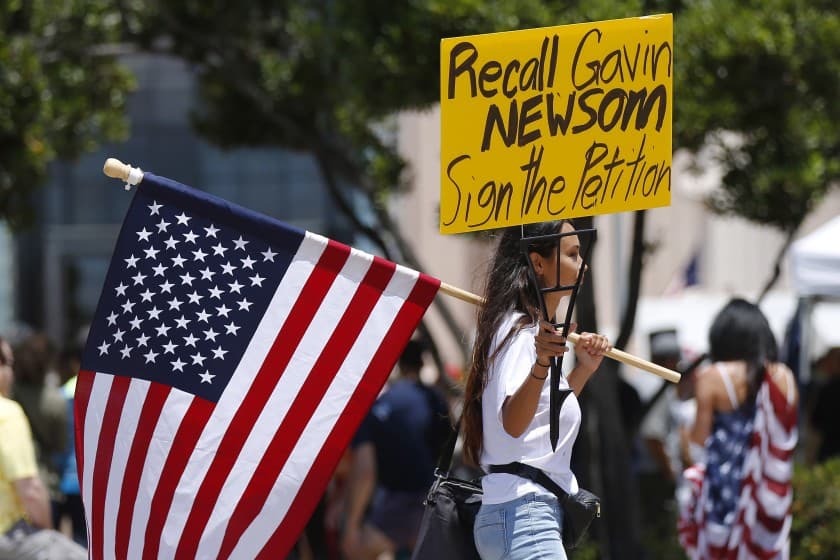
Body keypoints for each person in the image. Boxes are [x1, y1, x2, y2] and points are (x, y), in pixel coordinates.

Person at [461, 220, 611, 559]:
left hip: (519, 514)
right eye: (572, 254)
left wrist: (582, 371)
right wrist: (543, 361)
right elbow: (512, 424)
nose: (582, 264)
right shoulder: (521, 334)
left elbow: (539, 421)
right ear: (538, 263)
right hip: (525, 517)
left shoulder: (524, 333)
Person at [678, 298, 798, 559]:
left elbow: (698, 446)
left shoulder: (712, 377)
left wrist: (684, 434)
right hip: (770, 504)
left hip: (726, 505)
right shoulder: (784, 377)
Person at [341, 338, 451, 560]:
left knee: (356, 552)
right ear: (422, 363)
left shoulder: (381, 405)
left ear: (399, 363)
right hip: (431, 500)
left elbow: (365, 472)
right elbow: (446, 449)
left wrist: (350, 527)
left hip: (395, 504)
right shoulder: (436, 401)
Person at [0, 335, 87, 560]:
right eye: (9, 363)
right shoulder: (9, 413)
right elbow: (30, 488)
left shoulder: (62, 393)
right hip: (22, 517)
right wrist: (49, 535)